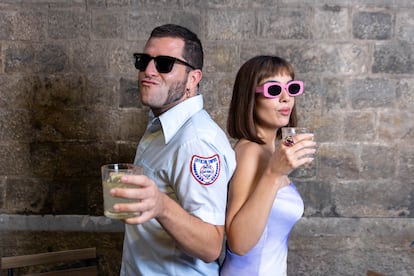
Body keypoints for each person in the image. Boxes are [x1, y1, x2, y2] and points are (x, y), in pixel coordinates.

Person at [110, 24, 236, 275]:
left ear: (193, 79)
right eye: (143, 60)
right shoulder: (162, 125)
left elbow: (211, 245)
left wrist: (161, 205)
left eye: (164, 64)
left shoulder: (196, 142)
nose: (148, 71)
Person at [220, 55, 317, 276]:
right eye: (273, 90)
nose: (286, 98)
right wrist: (273, 174)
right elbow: (239, 243)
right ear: (250, 99)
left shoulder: (270, 150)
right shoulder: (249, 152)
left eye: (291, 88)